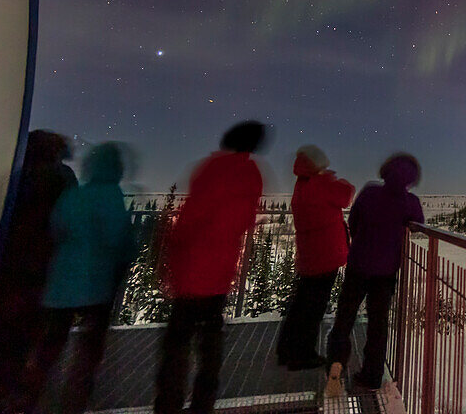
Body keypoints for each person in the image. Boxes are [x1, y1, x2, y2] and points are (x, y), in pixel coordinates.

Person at [154, 121, 268, 414]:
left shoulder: (214, 168)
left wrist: (171, 249)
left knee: (177, 345)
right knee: (210, 344)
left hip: (193, 268)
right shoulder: (252, 174)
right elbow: (241, 219)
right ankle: (203, 404)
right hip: (221, 270)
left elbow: (194, 215)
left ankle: (169, 405)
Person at [21, 142, 134, 414]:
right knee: (89, 349)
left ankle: (29, 397)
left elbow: (57, 229)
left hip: (61, 283)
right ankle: (75, 401)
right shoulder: (110, 196)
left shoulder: (75, 195)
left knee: (50, 345)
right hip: (96, 286)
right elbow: (117, 238)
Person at [0, 130, 77, 409]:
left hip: (7, 266)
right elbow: (69, 225)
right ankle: (13, 396)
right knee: (25, 337)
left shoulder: (16, 177)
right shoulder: (63, 179)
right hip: (43, 270)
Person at [325, 153, 424, 395]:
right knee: (378, 324)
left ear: (386, 170)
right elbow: (419, 223)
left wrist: (361, 241)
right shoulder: (410, 201)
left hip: (358, 264)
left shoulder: (369, 192)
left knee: (345, 318)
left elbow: (354, 221)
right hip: (386, 271)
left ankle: (335, 366)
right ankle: (371, 376)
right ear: (411, 179)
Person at [276, 145, 355, 370]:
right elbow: (346, 193)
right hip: (325, 255)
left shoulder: (301, 185)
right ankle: (303, 354)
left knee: (301, 304)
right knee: (313, 307)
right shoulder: (321, 184)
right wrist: (329, 177)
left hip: (310, 255)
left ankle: (286, 350)